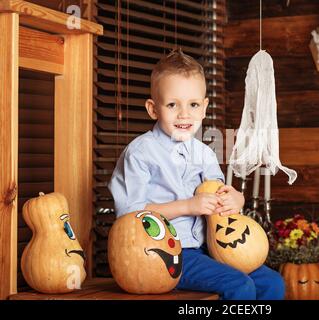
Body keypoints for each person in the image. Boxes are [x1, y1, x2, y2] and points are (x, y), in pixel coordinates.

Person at [108, 48, 285, 300]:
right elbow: (131, 214)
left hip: (210, 247)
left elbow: (218, 193)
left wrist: (235, 199)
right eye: (172, 104)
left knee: (272, 283)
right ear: (153, 109)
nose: (184, 114)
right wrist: (188, 206)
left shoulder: (205, 152)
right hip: (167, 252)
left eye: (193, 105)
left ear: (203, 108)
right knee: (239, 286)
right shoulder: (140, 153)